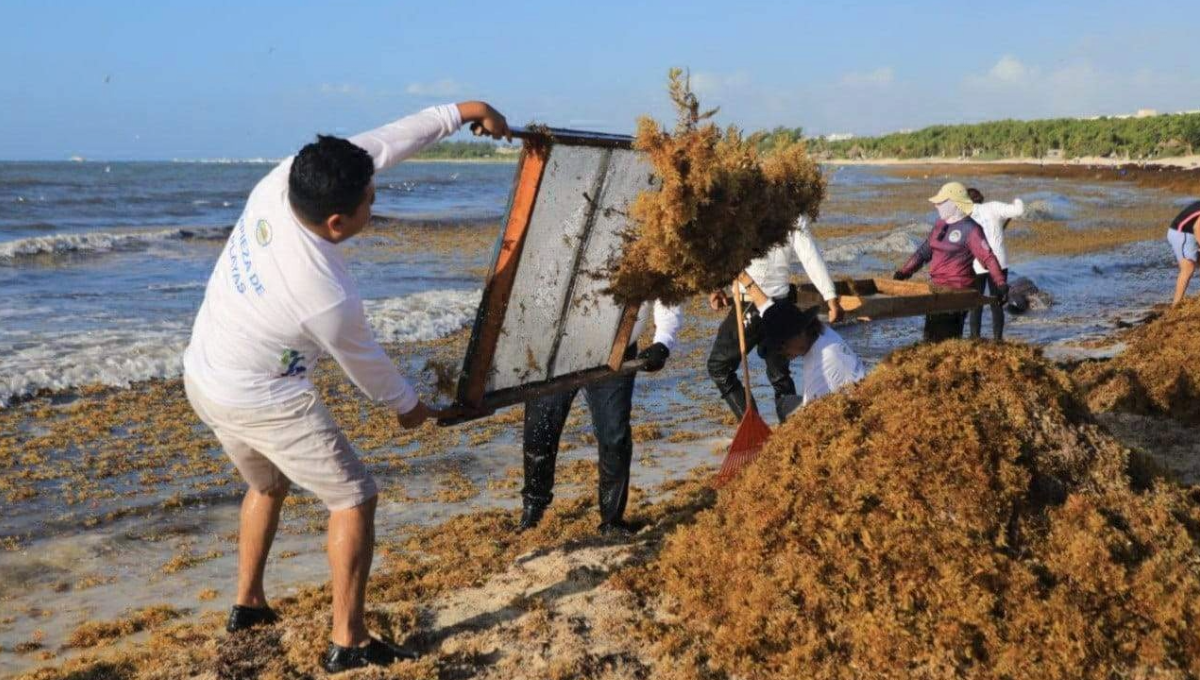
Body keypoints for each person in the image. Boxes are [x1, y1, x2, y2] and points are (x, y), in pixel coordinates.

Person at [182, 101, 511, 673]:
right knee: (355, 496)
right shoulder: (325, 291)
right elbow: (371, 371)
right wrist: (411, 409)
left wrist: (463, 111)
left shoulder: (283, 178)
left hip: (205, 372)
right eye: (369, 202)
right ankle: (349, 641)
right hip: (261, 395)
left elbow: (385, 142)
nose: (374, 204)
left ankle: (249, 604)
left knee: (268, 485)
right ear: (338, 224)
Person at [517, 300, 682, 536]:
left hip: (615, 351)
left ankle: (612, 520)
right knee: (539, 431)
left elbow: (667, 296)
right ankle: (532, 512)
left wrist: (663, 343)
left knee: (614, 436)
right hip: (556, 349)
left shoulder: (642, 263)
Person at [706, 215, 843, 422]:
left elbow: (728, 247)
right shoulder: (791, 207)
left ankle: (754, 429)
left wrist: (717, 285)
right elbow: (810, 255)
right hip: (782, 303)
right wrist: (830, 296)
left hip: (751, 304)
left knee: (719, 366)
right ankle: (789, 429)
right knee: (780, 375)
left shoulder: (747, 203)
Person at [736, 273, 865, 420]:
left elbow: (807, 421)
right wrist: (746, 280)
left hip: (849, 412)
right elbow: (769, 310)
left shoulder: (819, 366)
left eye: (783, 345)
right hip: (853, 392)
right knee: (786, 402)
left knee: (786, 409)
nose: (783, 352)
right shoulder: (821, 332)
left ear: (799, 332)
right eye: (779, 347)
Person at [895, 182, 1008, 342]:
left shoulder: (971, 229)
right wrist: (904, 272)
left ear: (955, 204)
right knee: (930, 337)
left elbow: (988, 257)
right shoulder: (940, 224)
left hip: (957, 292)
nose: (936, 205)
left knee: (947, 340)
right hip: (936, 290)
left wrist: (1000, 283)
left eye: (941, 202)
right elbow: (924, 252)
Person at [966, 187, 1024, 341]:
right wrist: (1016, 200)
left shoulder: (965, 214)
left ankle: (974, 338)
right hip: (998, 262)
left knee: (975, 304)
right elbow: (1019, 211)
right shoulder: (993, 207)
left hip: (976, 263)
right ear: (981, 198)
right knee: (997, 303)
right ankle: (998, 340)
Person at [1167, 199, 1200, 305]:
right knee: (1188, 267)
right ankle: (1176, 305)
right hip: (1182, 233)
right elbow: (1197, 228)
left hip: (1189, 233)